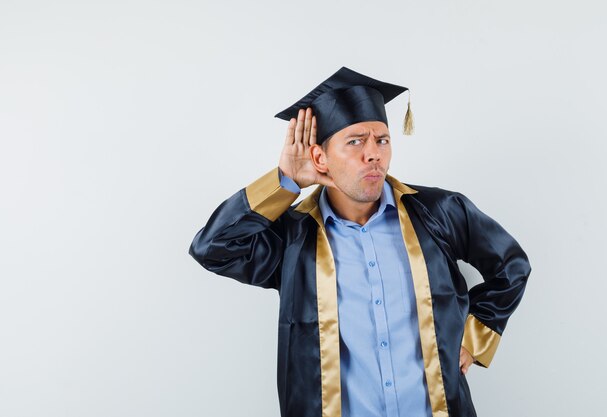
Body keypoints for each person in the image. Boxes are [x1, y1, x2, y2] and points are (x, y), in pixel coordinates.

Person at [188, 67, 531, 417]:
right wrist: (285, 181)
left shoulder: (440, 213)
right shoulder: (293, 237)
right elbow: (212, 247)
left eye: (382, 140)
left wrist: (474, 340)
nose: (374, 154)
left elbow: (512, 266)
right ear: (320, 158)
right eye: (355, 141)